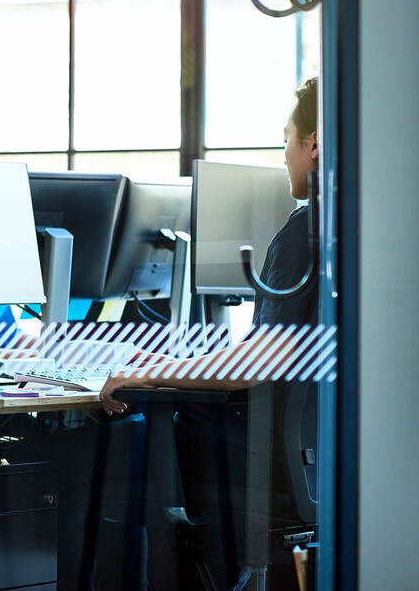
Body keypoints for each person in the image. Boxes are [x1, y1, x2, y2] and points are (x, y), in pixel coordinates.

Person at [99, 76, 321, 413]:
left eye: (287, 140)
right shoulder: (345, 228)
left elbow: (261, 361)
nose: (285, 156)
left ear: (314, 144)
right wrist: (163, 367)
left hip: (264, 431)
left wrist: (150, 376)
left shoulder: (304, 230)